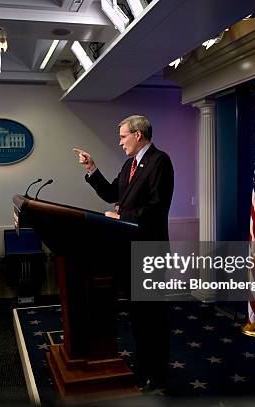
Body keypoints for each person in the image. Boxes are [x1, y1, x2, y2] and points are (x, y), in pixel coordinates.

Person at [74, 114, 174, 390]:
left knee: (153, 316)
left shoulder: (160, 161)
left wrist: (123, 217)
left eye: (122, 136)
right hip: (129, 250)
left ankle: (159, 375)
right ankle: (143, 370)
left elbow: (157, 207)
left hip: (150, 249)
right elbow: (110, 193)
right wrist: (92, 168)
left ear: (138, 135)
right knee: (138, 317)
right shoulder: (130, 164)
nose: (120, 143)